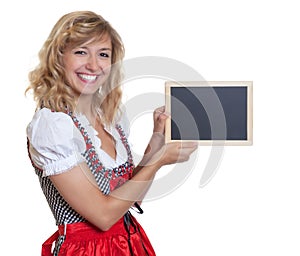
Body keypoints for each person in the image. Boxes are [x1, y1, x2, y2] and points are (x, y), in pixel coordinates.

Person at [26, 10, 197, 256]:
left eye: (103, 54)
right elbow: (103, 215)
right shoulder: (53, 126)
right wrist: (159, 161)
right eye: (81, 52)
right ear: (59, 57)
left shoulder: (109, 117)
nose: (94, 65)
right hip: (85, 251)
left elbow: (130, 200)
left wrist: (156, 141)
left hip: (128, 244)